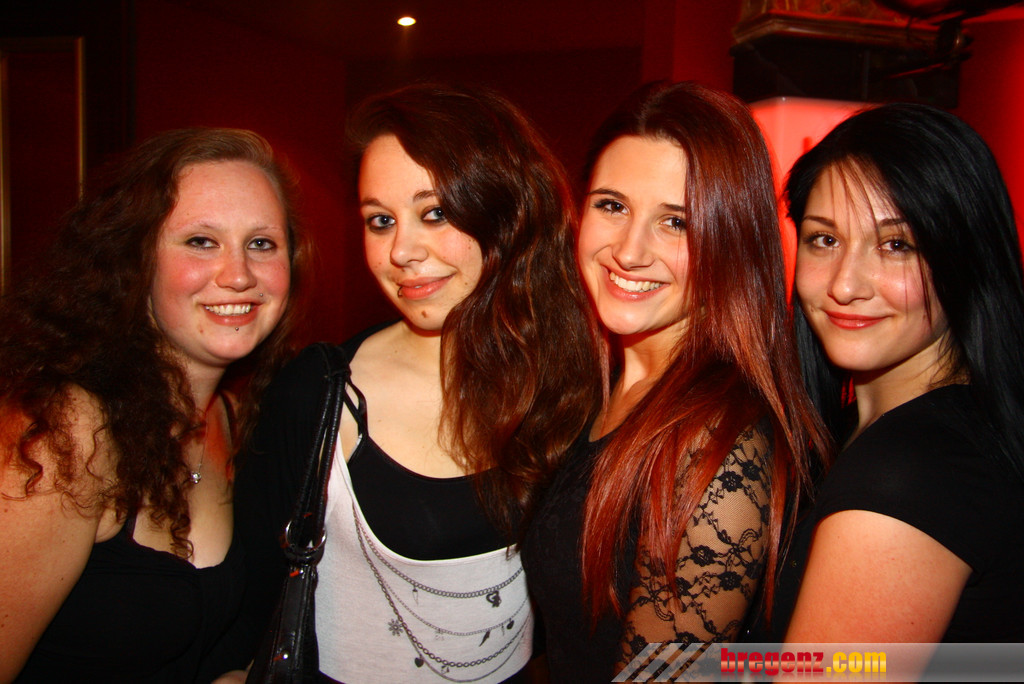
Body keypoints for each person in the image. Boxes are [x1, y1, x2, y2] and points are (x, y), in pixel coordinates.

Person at [232, 83, 601, 682]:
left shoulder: (576, 377)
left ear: (505, 210)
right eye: (380, 221)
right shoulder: (318, 393)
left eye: (434, 213)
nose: (401, 250)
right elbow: (251, 598)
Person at [521, 80, 830, 681]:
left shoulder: (717, 444)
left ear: (730, 241)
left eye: (676, 222)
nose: (630, 251)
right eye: (612, 206)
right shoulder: (592, 386)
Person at [0, 128, 306, 682]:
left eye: (261, 244)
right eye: (201, 241)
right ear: (134, 259)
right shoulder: (65, 434)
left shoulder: (236, 420)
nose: (238, 274)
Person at [762, 103, 1024, 644]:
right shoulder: (864, 431)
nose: (845, 284)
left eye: (896, 245)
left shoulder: (911, 469)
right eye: (824, 239)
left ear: (966, 258)